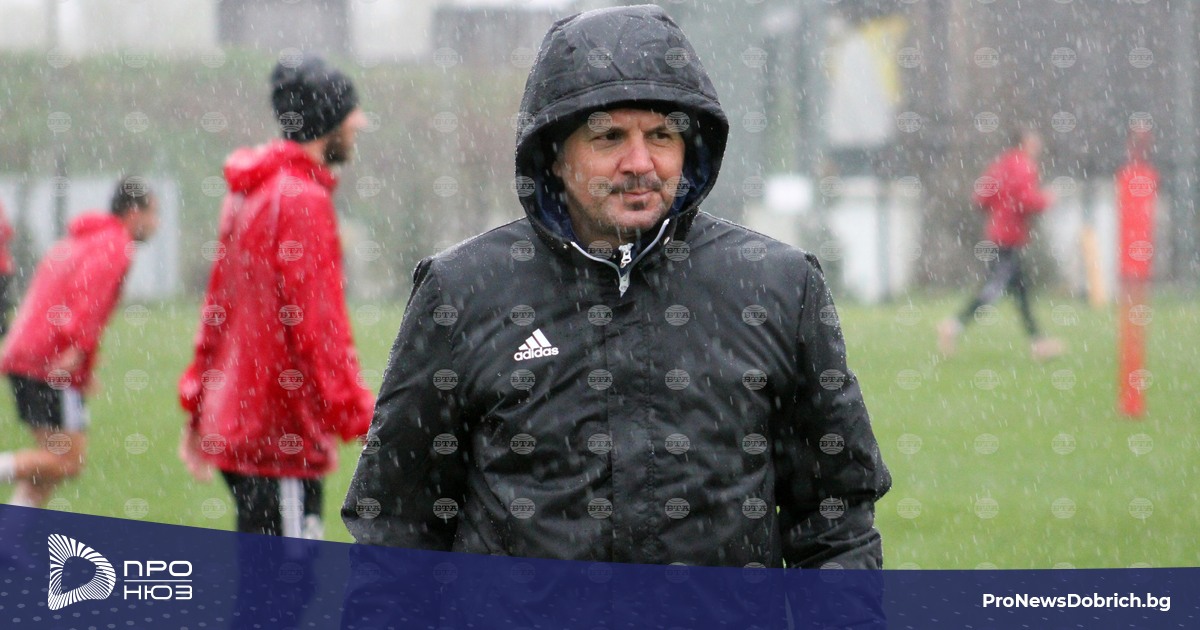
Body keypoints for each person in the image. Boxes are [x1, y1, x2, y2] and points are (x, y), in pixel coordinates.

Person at [343, 5, 891, 569]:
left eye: (661, 135)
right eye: (608, 136)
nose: (640, 162)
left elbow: (836, 523)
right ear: (554, 154)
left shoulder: (779, 286)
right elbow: (395, 527)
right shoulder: (459, 293)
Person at [178, 54, 373, 539]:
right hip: (278, 438)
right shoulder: (302, 200)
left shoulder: (250, 192)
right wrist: (362, 419)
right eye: (351, 110)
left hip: (243, 427)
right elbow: (319, 328)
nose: (360, 122)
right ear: (327, 119)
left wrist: (199, 407)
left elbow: (216, 310)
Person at [0, 177, 159, 507]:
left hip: (27, 353)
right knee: (67, 461)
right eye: (154, 214)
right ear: (134, 213)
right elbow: (90, 299)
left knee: (46, 468)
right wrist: (77, 350)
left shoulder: (81, 240)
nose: (157, 224)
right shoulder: (116, 245)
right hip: (50, 360)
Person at [939, 128, 1065, 361]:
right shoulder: (1024, 166)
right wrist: (1047, 199)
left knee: (1021, 292)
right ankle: (953, 325)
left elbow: (980, 197)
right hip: (1009, 237)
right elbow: (1026, 200)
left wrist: (999, 210)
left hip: (997, 233)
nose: (1039, 145)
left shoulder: (1000, 165)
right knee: (994, 289)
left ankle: (1038, 343)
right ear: (1025, 143)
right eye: (1035, 141)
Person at [0, 199, 16, 335]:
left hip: (3, 267)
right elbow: (8, 232)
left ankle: (3, 327)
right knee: (3, 300)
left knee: (3, 301)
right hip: (5, 267)